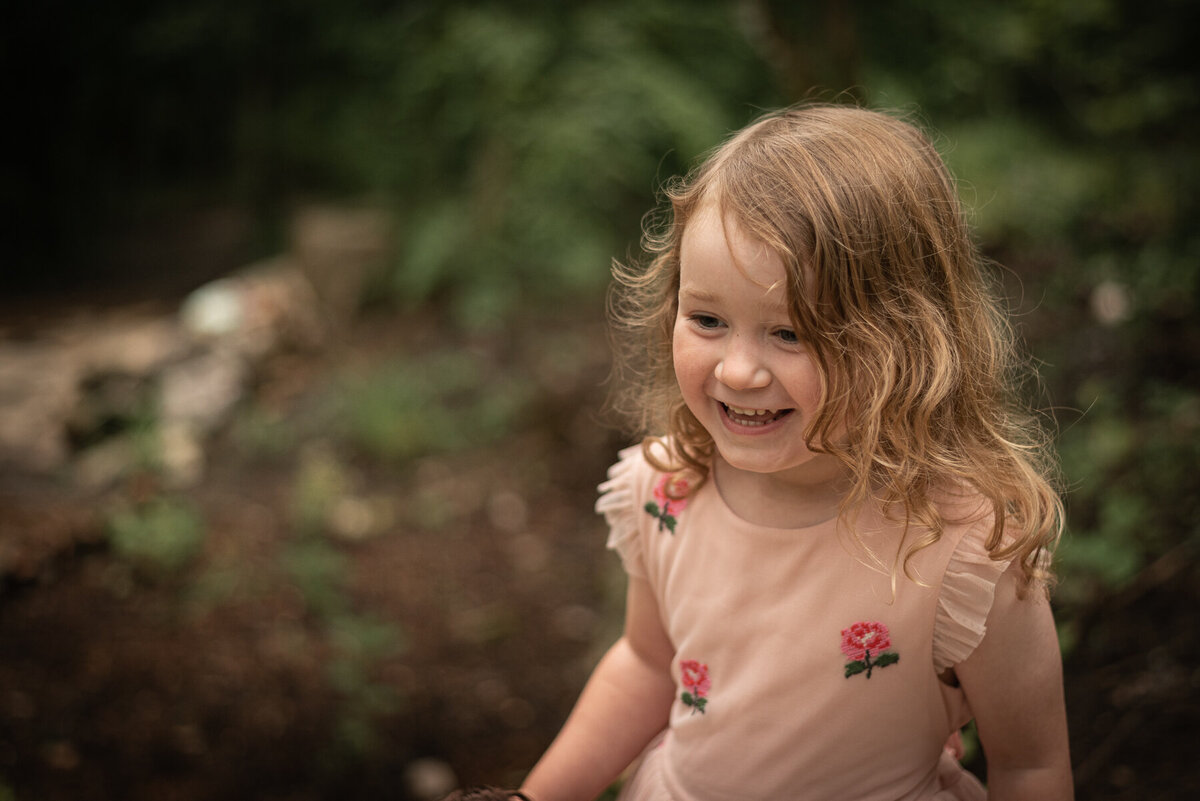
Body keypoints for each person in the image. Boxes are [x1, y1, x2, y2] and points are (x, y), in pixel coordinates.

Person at [518, 104, 1073, 800]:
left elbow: (1031, 764)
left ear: (906, 343)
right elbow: (646, 662)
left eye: (790, 333)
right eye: (709, 320)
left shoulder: (963, 547)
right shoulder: (667, 491)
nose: (739, 371)